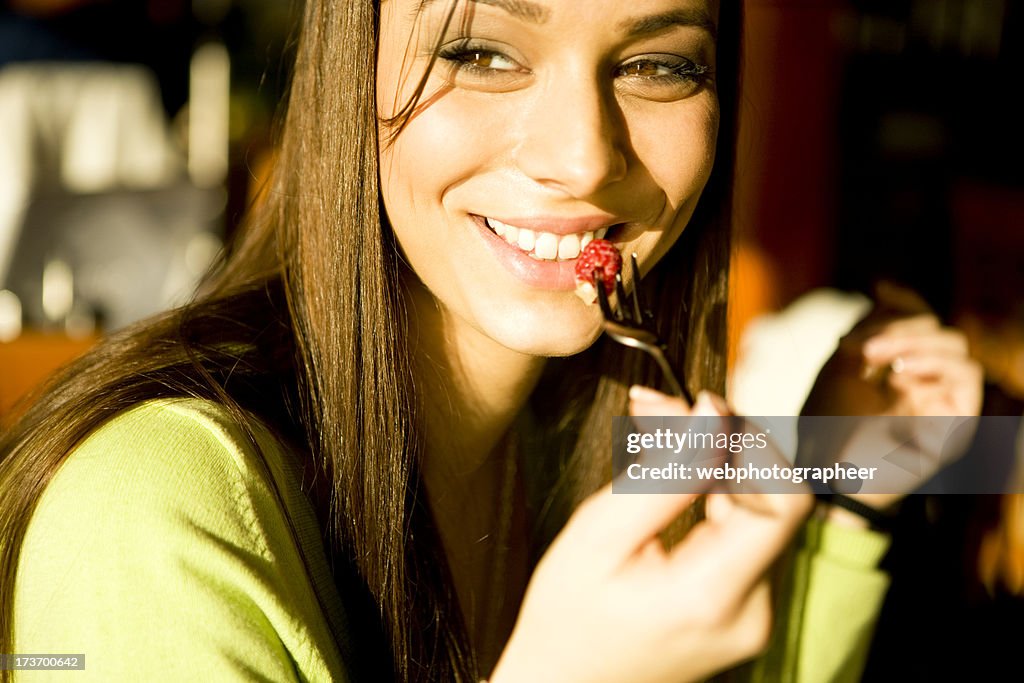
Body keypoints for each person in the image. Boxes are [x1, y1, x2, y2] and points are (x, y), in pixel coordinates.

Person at [0, 1, 982, 681]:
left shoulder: (614, 419)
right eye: (482, 53)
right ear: (350, 69)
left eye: (656, 63)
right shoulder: (151, 511)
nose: (582, 157)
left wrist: (848, 490)